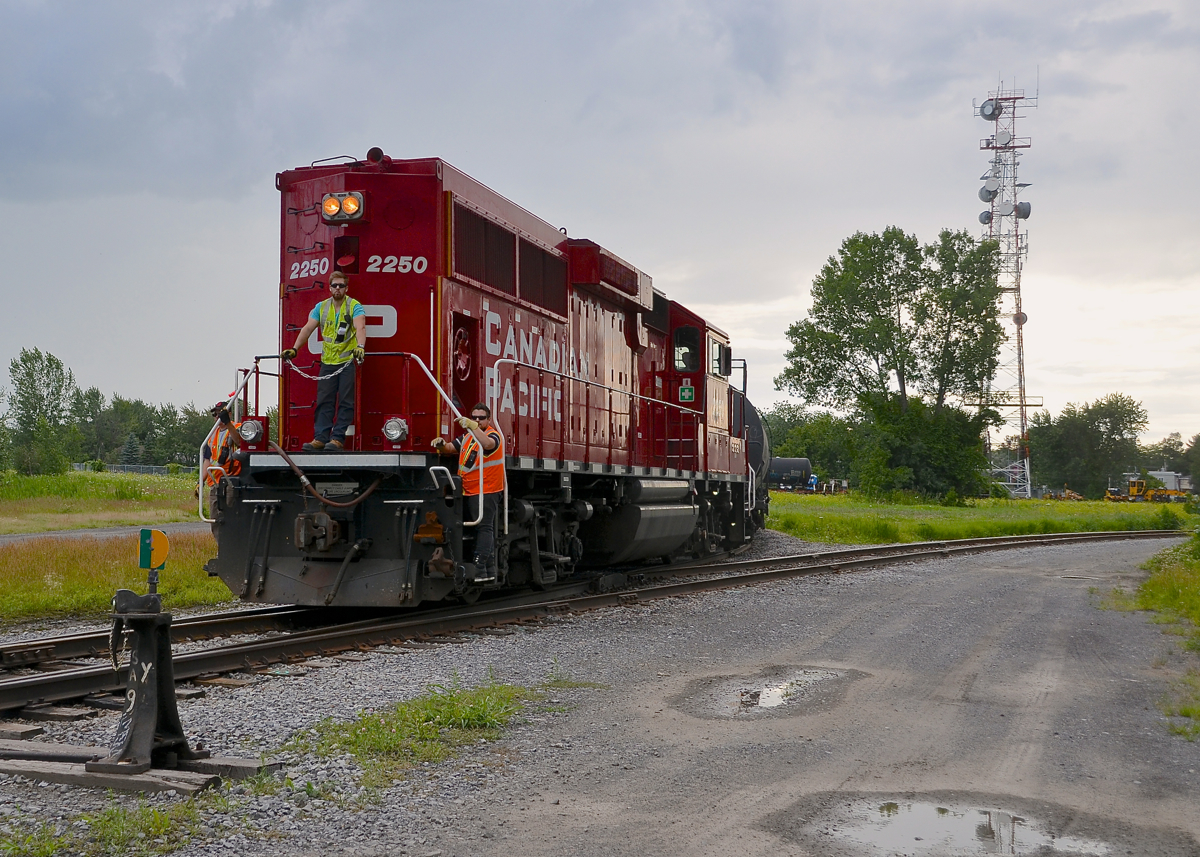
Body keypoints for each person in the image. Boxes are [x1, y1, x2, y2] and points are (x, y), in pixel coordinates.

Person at [281, 270, 367, 451]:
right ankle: (320, 438)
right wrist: (295, 349)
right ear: (329, 288)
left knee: (346, 402)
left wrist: (360, 346)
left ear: (346, 288)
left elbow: (361, 326)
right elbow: (307, 329)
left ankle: (337, 439)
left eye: (341, 285)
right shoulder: (320, 307)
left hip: (346, 363)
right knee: (324, 401)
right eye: (334, 285)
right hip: (328, 363)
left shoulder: (354, 306)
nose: (337, 288)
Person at [432, 403, 505, 582]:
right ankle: (488, 571)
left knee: (484, 527)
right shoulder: (467, 438)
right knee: (475, 529)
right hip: (468, 489)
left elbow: (487, 444)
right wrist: (441, 445)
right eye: (474, 418)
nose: (477, 421)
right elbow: (451, 448)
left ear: (488, 419)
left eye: (481, 418)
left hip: (486, 489)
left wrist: (473, 428)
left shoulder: (493, 435)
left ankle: (479, 568)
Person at [201, 401, 241, 515]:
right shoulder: (212, 434)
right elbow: (207, 459)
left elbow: (238, 441)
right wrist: (200, 481)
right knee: (215, 517)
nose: (217, 417)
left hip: (230, 481)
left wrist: (228, 423)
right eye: (215, 414)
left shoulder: (237, 428)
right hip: (214, 483)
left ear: (229, 414)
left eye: (221, 414)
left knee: (230, 516)